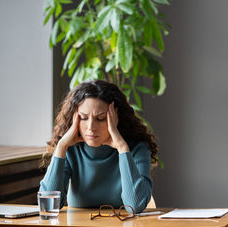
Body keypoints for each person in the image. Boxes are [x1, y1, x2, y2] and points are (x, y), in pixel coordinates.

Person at [39, 80, 158, 213]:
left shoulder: (137, 147)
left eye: (100, 118)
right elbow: (48, 206)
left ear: (116, 118)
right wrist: (61, 147)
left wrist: (122, 148)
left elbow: (135, 206)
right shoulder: (71, 149)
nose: (91, 128)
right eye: (83, 118)